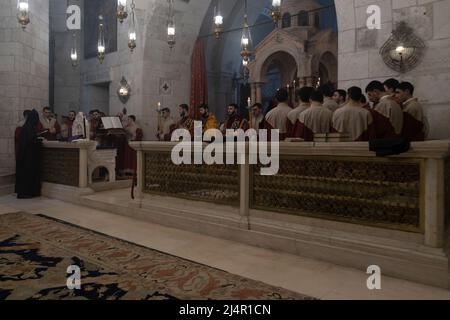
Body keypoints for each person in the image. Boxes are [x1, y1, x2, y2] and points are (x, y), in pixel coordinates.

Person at [15, 110, 42, 199]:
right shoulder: (29, 128)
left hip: (26, 157)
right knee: (27, 174)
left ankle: (28, 192)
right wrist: (38, 141)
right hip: (27, 158)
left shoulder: (28, 127)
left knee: (26, 174)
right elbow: (30, 142)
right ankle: (26, 193)